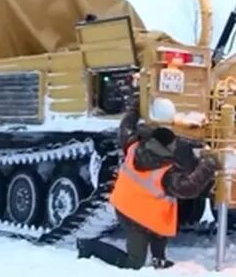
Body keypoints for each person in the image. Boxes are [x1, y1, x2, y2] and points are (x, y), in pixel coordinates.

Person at [76, 93, 219, 269]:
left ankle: (159, 258)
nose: (176, 147)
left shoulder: (133, 146)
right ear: (166, 147)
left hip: (132, 204)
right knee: (135, 262)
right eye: (173, 145)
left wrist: (135, 107)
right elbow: (188, 189)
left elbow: (126, 127)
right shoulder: (166, 172)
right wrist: (207, 166)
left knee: (159, 224)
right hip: (131, 214)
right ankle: (89, 246)